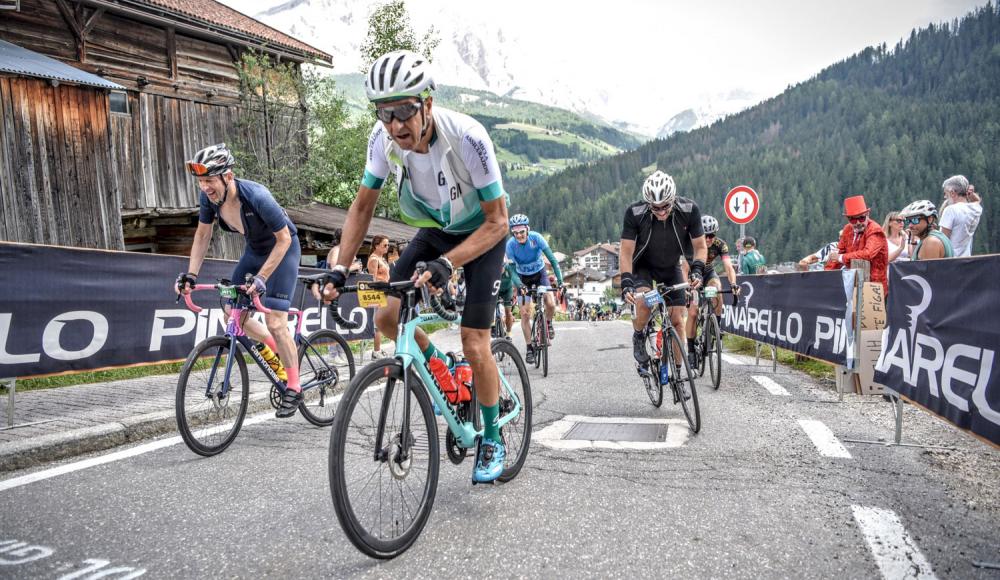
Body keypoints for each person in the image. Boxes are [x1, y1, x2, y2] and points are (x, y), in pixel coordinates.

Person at [314, 50, 509, 483]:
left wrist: (448, 263)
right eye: (385, 112)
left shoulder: (468, 137)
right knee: (387, 317)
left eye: (404, 110)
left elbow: (499, 221)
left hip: (483, 231)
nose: (396, 123)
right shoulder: (381, 140)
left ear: (427, 104)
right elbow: (362, 207)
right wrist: (339, 270)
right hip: (435, 230)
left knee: (476, 342)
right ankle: (442, 368)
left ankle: (493, 436)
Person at [175, 143, 304, 418]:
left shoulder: (257, 195)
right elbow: (202, 235)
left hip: (283, 250)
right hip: (255, 251)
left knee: (276, 321)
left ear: (228, 177)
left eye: (209, 180)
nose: (205, 187)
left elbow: (283, 239)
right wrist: (191, 275)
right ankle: (279, 350)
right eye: (200, 182)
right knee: (232, 313)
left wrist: (262, 278)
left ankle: (294, 385)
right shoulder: (209, 199)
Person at [619, 170, 707, 377]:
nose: (660, 212)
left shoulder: (689, 209)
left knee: (677, 319)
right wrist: (626, 282)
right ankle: (639, 335)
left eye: (665, 206)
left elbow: (700, 247)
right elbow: (626, 251)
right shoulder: (635, 213)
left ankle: (677, 371)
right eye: (655, 207)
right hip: (643, 266)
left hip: (671, 267)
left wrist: (696, 271)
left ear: (673, 199)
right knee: (644, 305)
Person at [506, 213, 564, 364]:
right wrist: (519, 285)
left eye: (521, 232)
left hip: (540, 274)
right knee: (525, 313)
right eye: (515, 232)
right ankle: (529, 347)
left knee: (550, 303)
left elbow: (552, 260)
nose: (519, 235)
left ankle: (548, 323)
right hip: (522, 278)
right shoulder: (510, 245)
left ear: (527, 229)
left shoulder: (536, 238)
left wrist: (561, 280)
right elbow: (511, 271)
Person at [687, 216, 740, 366]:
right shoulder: (691, 243)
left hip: (708, 272)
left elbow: (728, 267)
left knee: (716, 288)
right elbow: (683, 267)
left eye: (712, 235)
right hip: (692, 275)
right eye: (705, 235)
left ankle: (715, 327)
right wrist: (687, 287)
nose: (709, 239)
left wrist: (734, 283)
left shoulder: (720, 244)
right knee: (693, 312)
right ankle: (691, 350)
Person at [824, 195, 889, 294]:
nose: (858, 222)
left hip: (874, 287)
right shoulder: (847, 229)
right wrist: (825, 275)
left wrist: (841, 258)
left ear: (867, 214)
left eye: (861, 218)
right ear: (848, 219)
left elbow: (868, 254)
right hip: (854, 285)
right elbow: (838, 253)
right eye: (853, 220)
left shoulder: (875, 230)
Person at [939, 175, 983, 257]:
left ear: (952, 193)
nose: (945, 197)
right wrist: (971, 194)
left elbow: (943, 241)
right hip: (966, 260)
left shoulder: (950, 210)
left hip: (950, 261)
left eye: (946, 193)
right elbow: (977, 201)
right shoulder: (976, 209)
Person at [366, 235, 392, 358]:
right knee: (377, 323)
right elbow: (372, 279)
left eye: (388, 245)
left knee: (382, 322)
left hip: (385, 291)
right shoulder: (374, 259)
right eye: (385, 245)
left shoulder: (382, 259)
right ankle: (376, 351)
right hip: (378, 293)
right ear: (376, 246)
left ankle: (378, 349)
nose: (387, 248)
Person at [497, 259, 521, 338]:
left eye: (501, 268)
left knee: (508, 312)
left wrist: (518, 289)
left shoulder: (508, 268)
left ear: (504, 266)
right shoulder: (492, 269)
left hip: (507, 290)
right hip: (496, 290)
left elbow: (515, 279)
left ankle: (508, 332)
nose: (500, 270)